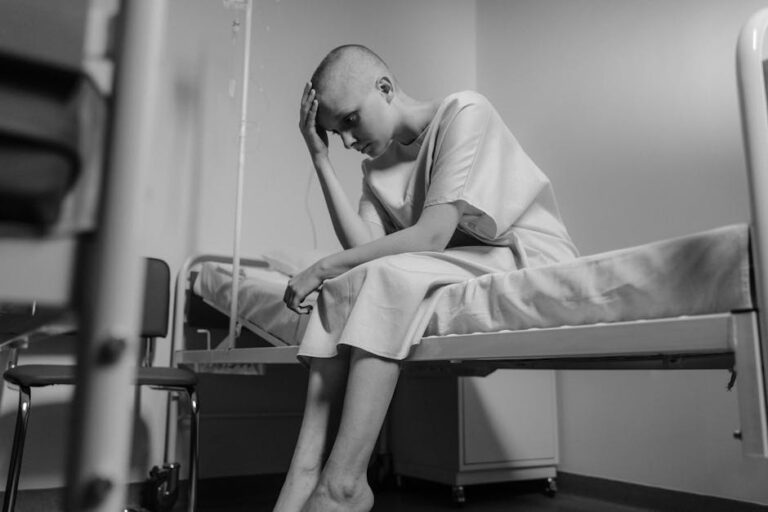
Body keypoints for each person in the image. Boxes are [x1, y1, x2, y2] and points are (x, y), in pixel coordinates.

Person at [274, 44, 577, 512]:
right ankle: (306, 472)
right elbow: (358, 255)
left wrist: (321, 266)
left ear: (385, 88)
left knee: (377, 276)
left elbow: (432, 235)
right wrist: (320, 159)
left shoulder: (464, 112)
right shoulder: (376, 170)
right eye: (337, 133)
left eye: (351, 121)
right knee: (340, 288)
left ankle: (344, 484)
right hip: (465, 263)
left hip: (526, 255)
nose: (348, 141)